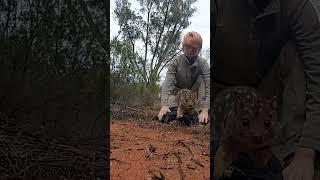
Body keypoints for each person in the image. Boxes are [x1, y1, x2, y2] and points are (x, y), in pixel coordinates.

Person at [212, 0, 320, 180]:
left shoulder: (300, 7)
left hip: (266, 91)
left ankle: (291, 157)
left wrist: (307, 149)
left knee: (295, 53)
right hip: (222, 92)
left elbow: (316, 73)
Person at [158, 31, 210, 125]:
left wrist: (205, 109)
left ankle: (200, 111)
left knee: (204, 79)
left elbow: (208, 86)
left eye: (194, 48)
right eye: (188, 46)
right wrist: (164, 105)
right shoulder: (175, 62)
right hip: (177, 96)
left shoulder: (203, 64)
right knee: (167, 114)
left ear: (199, 49)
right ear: (183, 46)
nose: (191, 50)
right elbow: (167, 83)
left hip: (195, 98)